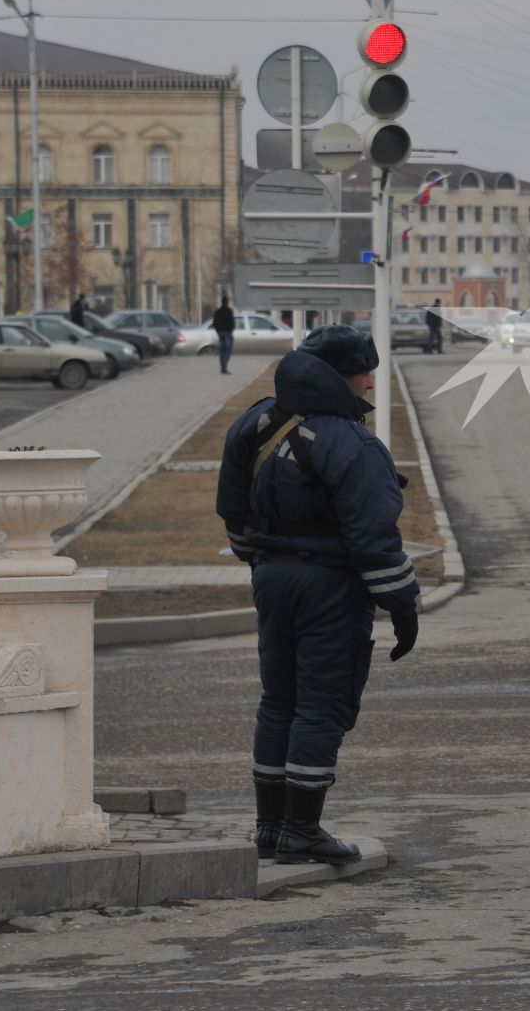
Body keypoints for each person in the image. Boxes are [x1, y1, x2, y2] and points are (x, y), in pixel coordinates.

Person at [215, 325, 421, 866]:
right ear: (338, 375)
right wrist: (403, 607)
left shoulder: (256, 421)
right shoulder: (351, 442)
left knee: (278, 700)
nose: (372, 382)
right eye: (364, 372)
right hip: (330, 586)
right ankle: (302, 831)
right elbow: (375, 541)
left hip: (273, 580)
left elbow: (232, 510)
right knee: (322, 705)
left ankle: (271, 828)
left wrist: (261, 561)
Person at [212, 295, 237, 375]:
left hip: (220, 333)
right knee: (227, 350)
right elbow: (232, 323)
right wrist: (230, 330)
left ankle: (223, 366)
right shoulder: (229, 311)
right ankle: (224, 367)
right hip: (227, 333)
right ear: (227, 302)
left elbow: (214, 323)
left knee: (222, 349)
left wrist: (218, 331)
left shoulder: (217, 311)